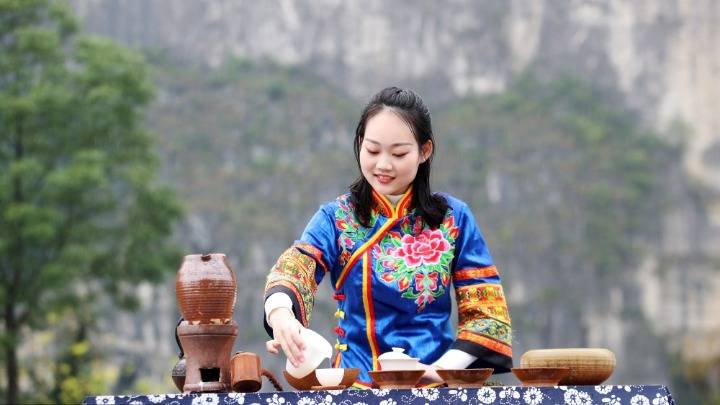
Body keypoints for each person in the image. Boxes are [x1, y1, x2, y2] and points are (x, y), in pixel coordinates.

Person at [263, 87, 512, 388]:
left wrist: (441, 370)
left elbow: (487, 315)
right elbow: (296, 266)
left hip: (437, 386)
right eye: (372, 150)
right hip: (356, 388)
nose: (383, 165)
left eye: (398, 153)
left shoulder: (454, 218)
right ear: (359, 144)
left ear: (424, 151)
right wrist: (281, 315)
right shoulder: (336, 218)